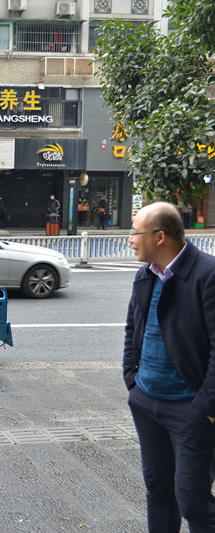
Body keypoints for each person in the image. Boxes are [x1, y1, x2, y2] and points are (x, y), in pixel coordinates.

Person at [124, 201, 215, 532]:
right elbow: (133, 329)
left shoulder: (207, 274)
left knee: (192, 499)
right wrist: (132, 381)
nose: (130, 239)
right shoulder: (145, 274)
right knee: (158, 491)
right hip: (147, 402)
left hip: (189, 409)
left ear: (159, 237)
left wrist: (206, 406)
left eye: (135, 232)